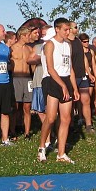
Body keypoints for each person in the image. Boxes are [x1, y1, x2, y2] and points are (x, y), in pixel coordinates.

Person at [37, 17, 78, 164]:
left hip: (66, 80)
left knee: (66, 118)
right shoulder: (50, 44)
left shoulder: (68, 45)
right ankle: (42, 147)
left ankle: (61, 153)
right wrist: (63, 85)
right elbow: (50, 68)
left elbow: (70, 68)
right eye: (65, 30)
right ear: (57, 29)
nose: (68, 32)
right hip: (52, 80)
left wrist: (73, 87)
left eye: (69, 29)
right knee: (51, 117)